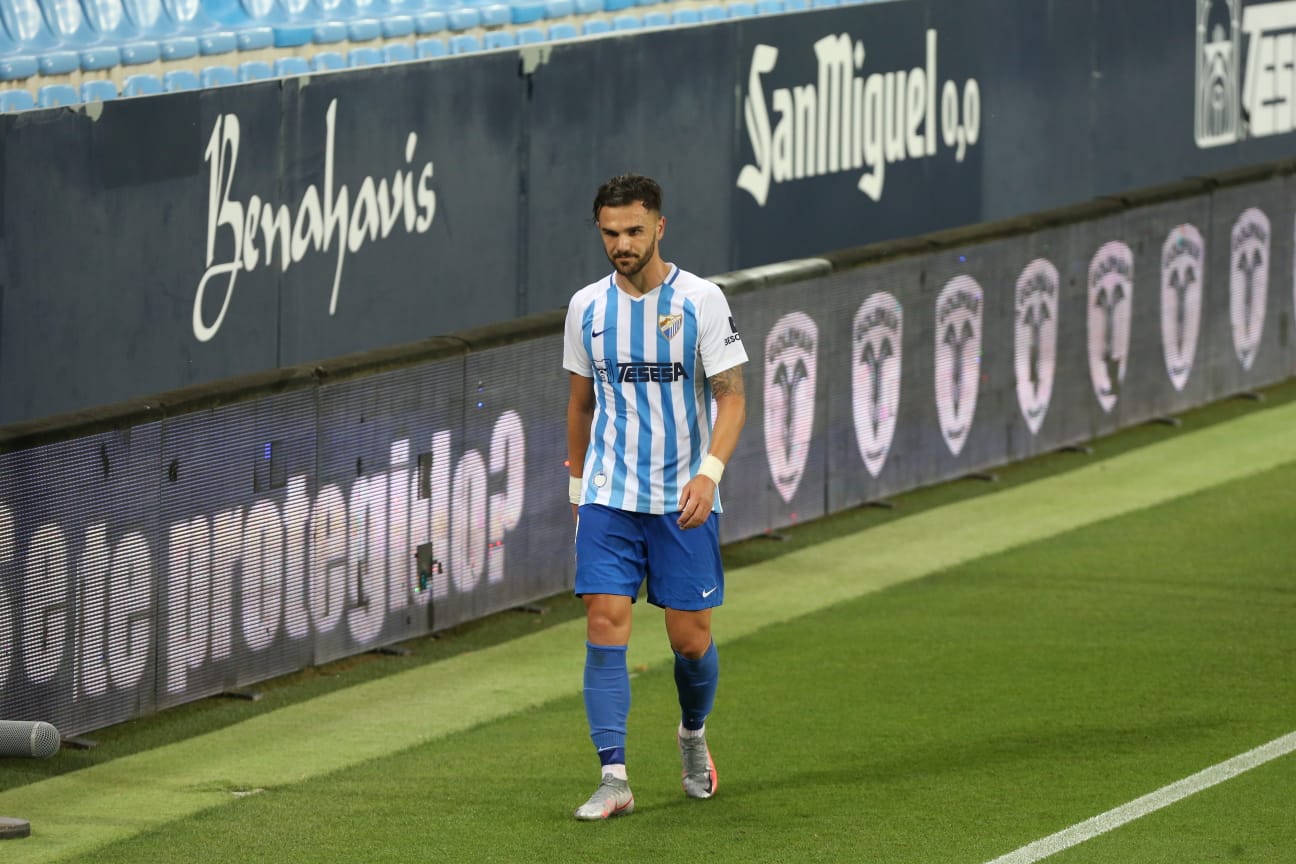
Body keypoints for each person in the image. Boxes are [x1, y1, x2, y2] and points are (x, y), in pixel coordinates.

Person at [563, 174, 748, 820]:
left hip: (683, 500)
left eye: (634, 231)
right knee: (603, 621)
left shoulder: (700, 300)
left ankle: (692, 733)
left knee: (689, 642)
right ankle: (613, 776)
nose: (622, 243)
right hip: (612, 498)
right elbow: (581, 403)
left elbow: (732, 396)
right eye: (611, 233)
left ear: (659, 228)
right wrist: (579, 487)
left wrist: (710, 472)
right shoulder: (586, 307)